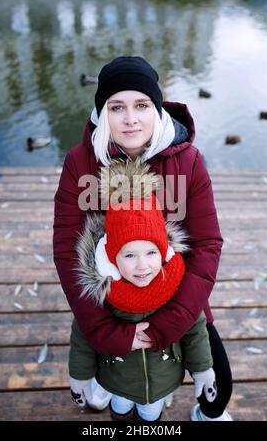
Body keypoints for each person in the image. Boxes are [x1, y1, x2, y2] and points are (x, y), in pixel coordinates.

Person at [53, 56, 233, 421]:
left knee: (219, 392)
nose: (130, 118)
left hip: (173, 295)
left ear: (157, 109)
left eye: (141, 105)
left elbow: (207, 245)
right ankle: (112, 381)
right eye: (116, 107)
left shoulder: (189, 162)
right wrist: (105, 332)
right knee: (122, 403)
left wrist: (174, 321)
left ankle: (201, 410)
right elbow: (66, 250)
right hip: (110, 303)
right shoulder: (80, 163)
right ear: (103, 113)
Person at [69, 159, 217, 422]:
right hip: (117, 379)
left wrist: (202, 369)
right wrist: (79, 373)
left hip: (162, 380)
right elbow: (83, 335)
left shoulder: (175, 283)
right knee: (121, 410)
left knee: (151, 414)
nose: (142, 266)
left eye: (151, 252)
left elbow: (195, 329)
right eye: (129, 255)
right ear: (113, 258)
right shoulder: (104, 291)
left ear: (162, 251)